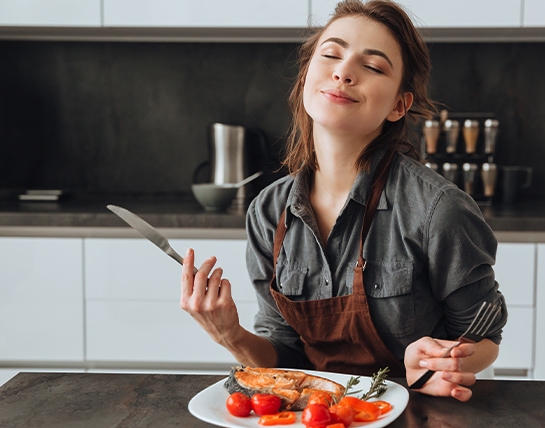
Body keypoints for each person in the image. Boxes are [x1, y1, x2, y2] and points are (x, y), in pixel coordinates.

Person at [180, 0, 507, 402]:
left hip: (415, 412)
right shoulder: (268, 213)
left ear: (398, 105)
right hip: (313, 416)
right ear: (305, 78)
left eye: (372, 66)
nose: (343, 72)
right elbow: (281, 357)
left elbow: (484, 335)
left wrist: (444, 362)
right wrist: (230, 334)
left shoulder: (439, 210)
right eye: (331, 54)